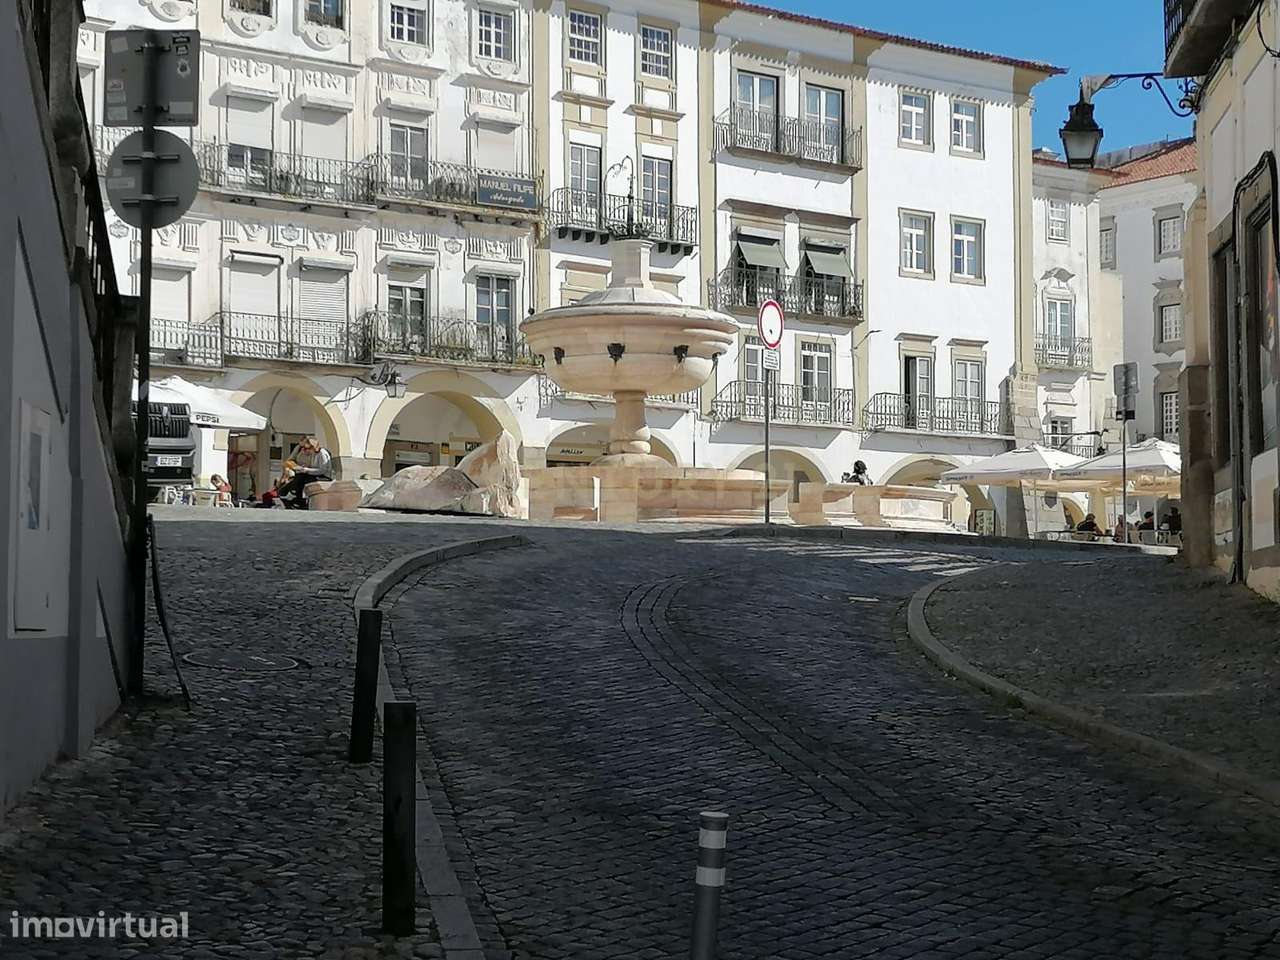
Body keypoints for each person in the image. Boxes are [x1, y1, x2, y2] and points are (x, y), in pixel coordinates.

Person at [277, 438, 333, 508]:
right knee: (299, 476)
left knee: (303, 478)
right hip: (315, 474)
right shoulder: (314, 454)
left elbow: (322, 470)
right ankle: (292, 494)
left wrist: (306, 470)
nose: (306, 451)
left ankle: (294, 495)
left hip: (323, 476)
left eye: (307, 448)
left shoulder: (322, 453)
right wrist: (303, 469)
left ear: (313, 447)